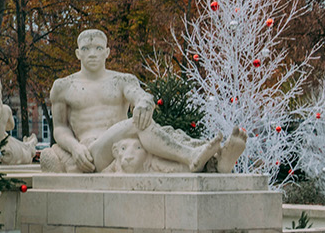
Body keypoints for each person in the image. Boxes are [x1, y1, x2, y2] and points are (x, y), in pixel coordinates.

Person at [40, 29, 240, 174]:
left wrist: (144, 103)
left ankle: (215, 163)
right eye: (86, 48)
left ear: (107, 52)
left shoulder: (122, 80)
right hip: (93, 152)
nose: (92, 53)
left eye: (98, 48)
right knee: (138, 124)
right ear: (78, 53)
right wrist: (75, 148)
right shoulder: (64, 86)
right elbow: (60, 128)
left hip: (128, 143)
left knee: (160, 149)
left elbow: (140, 95)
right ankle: (191, 155)